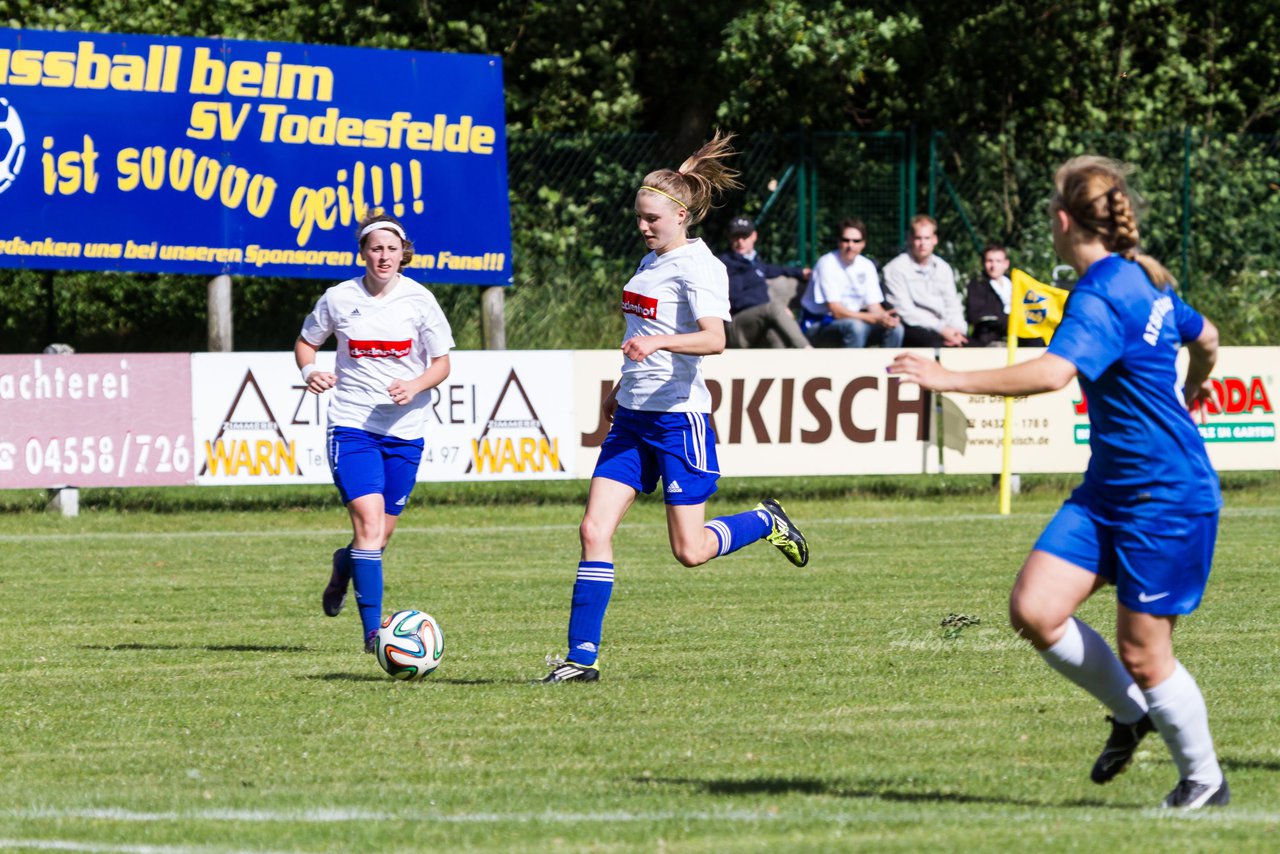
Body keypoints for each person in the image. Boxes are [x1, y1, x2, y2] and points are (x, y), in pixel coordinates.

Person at [888, 155, 1227, 810]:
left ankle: (1205, 783)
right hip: (1111, 489)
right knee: (1036, 609)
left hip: (1164, 496)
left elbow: (1051, 374)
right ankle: (1133, 716)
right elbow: (1207, 337)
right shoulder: (1142, 278)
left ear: (1065, 221)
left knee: (1145, 651)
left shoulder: (1104, 291)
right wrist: (1191, 389)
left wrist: (949, 379)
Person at [541, 131, 810, 684]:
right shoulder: (649, 263)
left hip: (678, 420)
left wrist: (659, 345)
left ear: (681, 215)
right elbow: (644, 331)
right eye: (640, 217)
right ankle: (580, 661)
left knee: (689, 551)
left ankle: (764, 521)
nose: (643, 226)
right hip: (634, 416)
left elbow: (715, 339)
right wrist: (622, 387)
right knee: (594, 530)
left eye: (652, 219)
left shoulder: (699, 268)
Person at [295, 212, 455, 654]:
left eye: (390, 249)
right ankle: (373, 635)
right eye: (374, 248)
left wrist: (415, 384)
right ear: (362, 252)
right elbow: (306, 342)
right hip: (352, 426)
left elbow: (442, 363)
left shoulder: (419, 300)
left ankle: (343, 565)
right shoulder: (339, 298)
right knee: (368, 524)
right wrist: (311, 369)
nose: (382, 257)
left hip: (405, 430)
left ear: (403, 253)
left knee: (378, 537)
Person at [799, 218, 903, 348]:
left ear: (863, 243)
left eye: (856, 241)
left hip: (853, 322)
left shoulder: (867, 265)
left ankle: (886, 369)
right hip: (818, 325)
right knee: (856, 328)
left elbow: (874, 306)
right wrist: (873, 318)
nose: (850, 245)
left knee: (896, 329)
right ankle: (853, 369)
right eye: (846, 240)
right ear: (838, 241)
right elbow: (837, 311)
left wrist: (886, 318)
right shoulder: (826, 263)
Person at [718, 216, 812, 348]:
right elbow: (736, 300)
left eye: (744, 237)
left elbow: (773, 269)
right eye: (735, 237)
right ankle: (807, 350)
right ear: (729, 237)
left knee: (774, 335)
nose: (740, 242)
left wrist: (800, 272)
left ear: (754, 236)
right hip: (735, 324)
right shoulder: (725, 264)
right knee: (774, 307)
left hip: (758, 321)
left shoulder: (754, 261)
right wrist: (770, 309)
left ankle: (783, 368)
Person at [882, 215, 968, 347]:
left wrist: (958, 330)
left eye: (927, 238)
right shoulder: (895, 269)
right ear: (910, 239)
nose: (922, 243)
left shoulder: (943, 268)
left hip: (946, 328)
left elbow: (952, 304)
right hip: (913, 328)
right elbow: (905, 311)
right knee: (936, 346)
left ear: (935, 239)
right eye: (918, 238)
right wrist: (941, 328)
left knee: (971, 346)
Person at [965, 243, 1013, 347]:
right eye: (989, 261)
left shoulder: (1015, 283)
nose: (993, 266)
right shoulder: (977, 285)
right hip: (989, 337)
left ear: (1006, 264)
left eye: (998, 261)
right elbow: (977, 315)